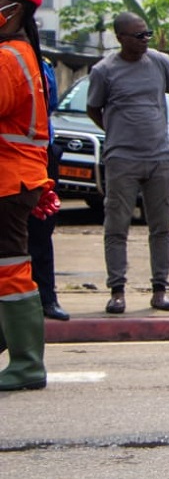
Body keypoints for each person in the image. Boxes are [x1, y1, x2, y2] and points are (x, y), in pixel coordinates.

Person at [87, 12, 169, 315]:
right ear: (120, 39)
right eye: (138, 36)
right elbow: (93, 108)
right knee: (117, 226)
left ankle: (160, 289)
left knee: (161, 227)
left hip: (159, 157)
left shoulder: (160, 62)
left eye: (147, 34)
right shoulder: (104, 71)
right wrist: (117, 131)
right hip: (122, 159)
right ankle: (117, 291)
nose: (145, 40)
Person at [0, 0, 57, 390]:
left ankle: (26, 364)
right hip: (17, 180)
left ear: (12, 11)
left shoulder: (8, 59)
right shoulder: (21, 55)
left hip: (7, 182)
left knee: (10, 269)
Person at [28, 56, 68, 320]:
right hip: (15, 158)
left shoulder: (42, 65)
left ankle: (46, 298)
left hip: (40, 156)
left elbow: (48, 106)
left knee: (41, 229)